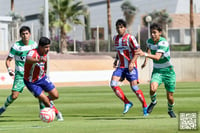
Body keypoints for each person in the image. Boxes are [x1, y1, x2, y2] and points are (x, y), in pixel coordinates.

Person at [136, 23, 176, 118]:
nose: (153, 35)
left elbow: (157, 57)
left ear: (160, 33)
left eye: (155, 32)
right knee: (152, 89)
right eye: (151, 33)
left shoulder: (163, 43)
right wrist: (145, 61)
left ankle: (170, 110)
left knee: (170, 97)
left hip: (168, 72)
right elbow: (148, 48)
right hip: (157, 70)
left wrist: (145, 54)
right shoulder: (149, 41)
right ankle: (154, 102)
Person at [110, 19, 148, 116]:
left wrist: (132, 62)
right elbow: (119, 51)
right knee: (113, 84)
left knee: (134, 87)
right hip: (121, 66)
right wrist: (116, 59)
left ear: (125, 28)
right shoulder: (115, 38)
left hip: (131, 67)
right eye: (117, 27)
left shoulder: (130, 38)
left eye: (121, 27)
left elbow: (138, 51)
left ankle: (144, 106)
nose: (119, 29)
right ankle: (127, 102)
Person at [23, 36, 64, 121]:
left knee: (55, 95)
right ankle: (56, 113)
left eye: (49, 47)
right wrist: (38, 60)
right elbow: (28, 59)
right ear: (40, 47)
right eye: (46, 47)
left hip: (42, 78)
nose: (48, 49)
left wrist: (44, 72)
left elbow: (45, 64)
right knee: (45, 99)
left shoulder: (44, 54)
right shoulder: (32, 52)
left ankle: (45, 101)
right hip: (31, 82)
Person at [0, 26, 38, 115]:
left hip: (32, 75)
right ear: (20, 35)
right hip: (20, 75)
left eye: (26, 33)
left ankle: (49, 111)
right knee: (14, 95)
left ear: (30, 34)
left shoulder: (34, 45)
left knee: (40, 94)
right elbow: (8, 60)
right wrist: (9, 69)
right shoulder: (16, 46)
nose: (25, 36)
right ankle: (3, 108)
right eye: (23, 34)